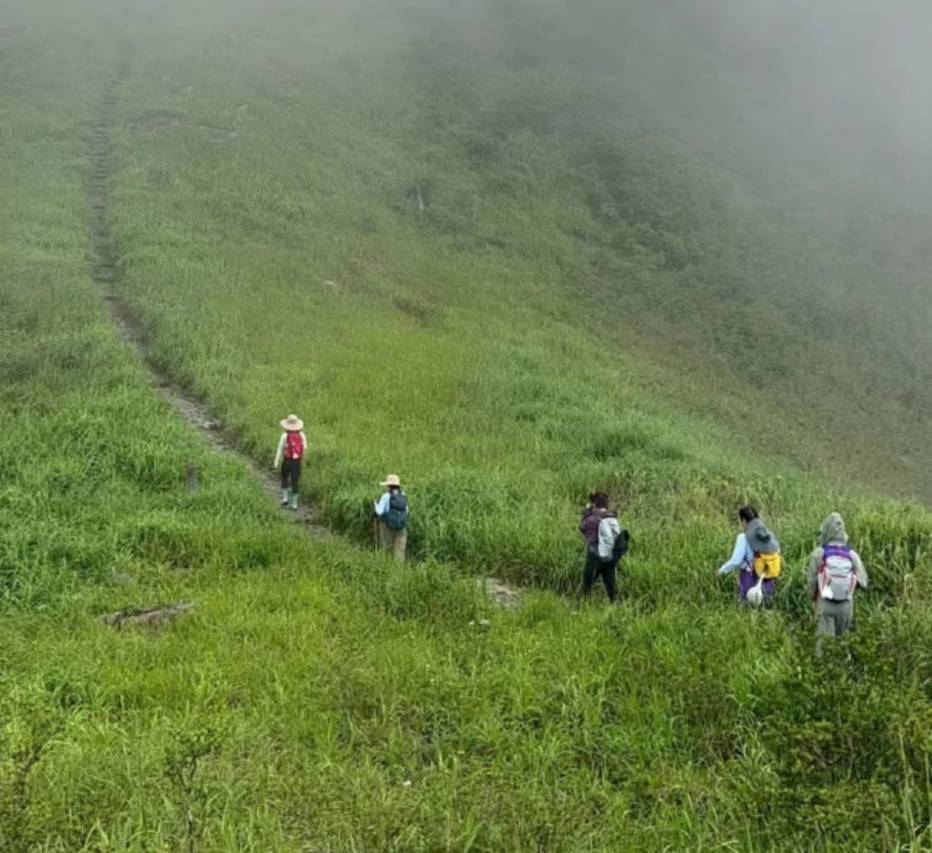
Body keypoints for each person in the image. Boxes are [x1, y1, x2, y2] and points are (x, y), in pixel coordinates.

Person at [807, 512, 868, 654]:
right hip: (846, 606)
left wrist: (812, 600)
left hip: (825, 605)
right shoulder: (852, 555)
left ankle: (823, 675)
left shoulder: (819, 553)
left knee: (822, 649)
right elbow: (863, 581)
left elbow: (811, 584)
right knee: (842, 646)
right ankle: (843, 673)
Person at [718, 506, 781, 607]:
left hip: (750, 579)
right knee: (766, 610)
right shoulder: (768, 535)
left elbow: (736, 560)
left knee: (746, 610)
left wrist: (722, 570)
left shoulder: (743, 537)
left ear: (744, 521)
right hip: (768, 579)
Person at [579, 491, 625, 603]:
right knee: (611, 587)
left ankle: (581, 608)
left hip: (594, 556)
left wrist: (586, 514)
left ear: (594, 504)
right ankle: (617, 608)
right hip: (609, 556)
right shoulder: (612, 517)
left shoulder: (592, 519)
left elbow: (582, 528)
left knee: (586, 586)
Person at [273, 414, 307, 511]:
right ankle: (294, 504)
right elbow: (304, 448)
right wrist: (302, 461)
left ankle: (285, 499)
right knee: (295, 481)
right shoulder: (302, 435)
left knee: (284, 478)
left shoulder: (284, 435)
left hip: (287, 460)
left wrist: (276, 462)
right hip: (297, 462)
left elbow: (280, 449)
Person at [374, 474, 408, 561]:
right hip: (401, 526)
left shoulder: (386, 496)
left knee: (387, 548)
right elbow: (407, 511)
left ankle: (387, 566)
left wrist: (375, 505)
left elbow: (380, 512)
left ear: (388, 486)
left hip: (387, 526)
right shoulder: (403, 495)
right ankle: (399, 570)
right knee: (400, 550)